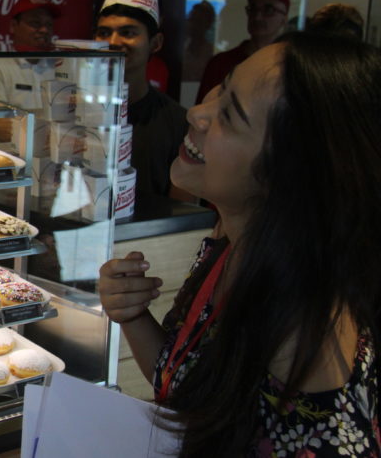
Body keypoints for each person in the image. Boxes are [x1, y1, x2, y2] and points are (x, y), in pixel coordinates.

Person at [99, 32, 381, 456]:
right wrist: (133, 315)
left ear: (286, 175)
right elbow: (189, 389)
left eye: (229, 115)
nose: (197, 112)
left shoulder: (300, 333)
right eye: (223, 86)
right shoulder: (234, 241)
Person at [93, 0, 187, 201]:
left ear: (155, 43)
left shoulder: (178, 122)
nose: (113, 42)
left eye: (128, 33)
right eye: (104, 32)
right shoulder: (75, 111)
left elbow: (184, 206)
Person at [0, 0, 61, 151]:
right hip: (10, 156)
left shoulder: (59, 66)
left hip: (52, 155)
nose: (44, 30)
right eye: (35, 23)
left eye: (48, 24)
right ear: (13, 26)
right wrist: (53, 132)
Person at [196, 0, 289, 104]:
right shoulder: (220, 64)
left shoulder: (289, 67)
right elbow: (202, 109)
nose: (257, 17)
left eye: (268, 10)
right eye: (253, 9)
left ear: (284, 19)